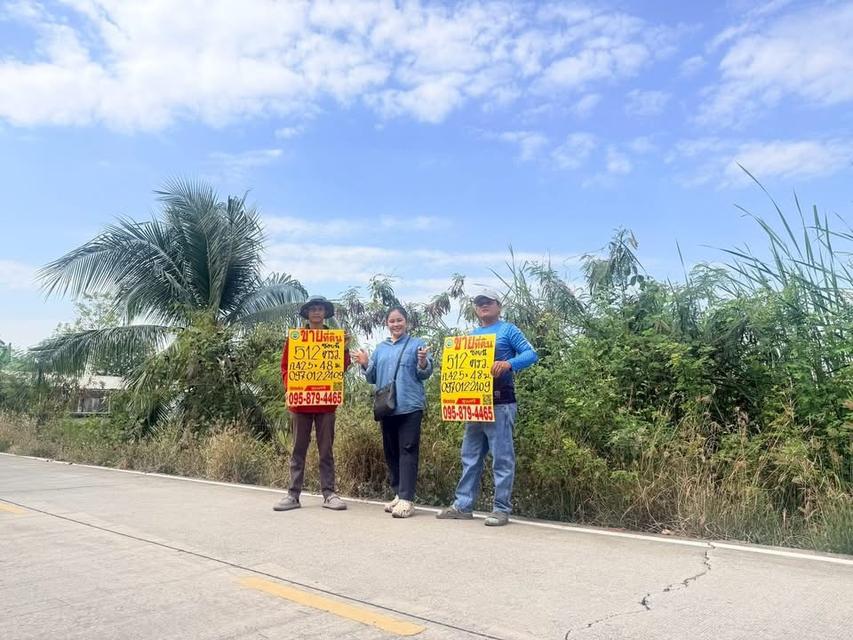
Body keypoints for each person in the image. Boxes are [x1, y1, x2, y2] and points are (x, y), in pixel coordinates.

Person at [437, 288, 538, 526]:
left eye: (488, 302)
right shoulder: (471, 336)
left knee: (501, 458)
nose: (484, 306)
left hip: (501, 401)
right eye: (479, 302)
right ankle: (463, 505)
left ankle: (501, 509)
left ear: (498, 306)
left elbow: (531, 354)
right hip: (474, 405)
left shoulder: (508, 330)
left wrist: (508, 364)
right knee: (469, 456)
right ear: (475, 308)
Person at [354, 306, 433, 518]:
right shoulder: (381, 348)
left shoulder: (417, 344)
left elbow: (424, 373)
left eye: (399, 320)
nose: (396, 324)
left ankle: (407, 499)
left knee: (408, 450)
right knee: (391, 451)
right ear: (387, 324)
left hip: (410, 406)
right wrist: (364, 363)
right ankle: (398, 493)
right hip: (387, 407)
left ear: (406, 322)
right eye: (392, 321)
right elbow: (371, 377)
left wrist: (423, 361)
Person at [273, 296, 351, 512]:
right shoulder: (296, 338)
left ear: (325, 313)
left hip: (326, 404)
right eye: (313, 309)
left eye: (320, 309)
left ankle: (329, 493)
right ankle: (293, 494)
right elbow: (285, 367)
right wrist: (294, 387)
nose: (317, 312)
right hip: (300, 405)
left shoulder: (334, 338)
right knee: (298, 449)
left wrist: (344, 349)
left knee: (326, 450)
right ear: (307, 314)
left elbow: (341, 368)